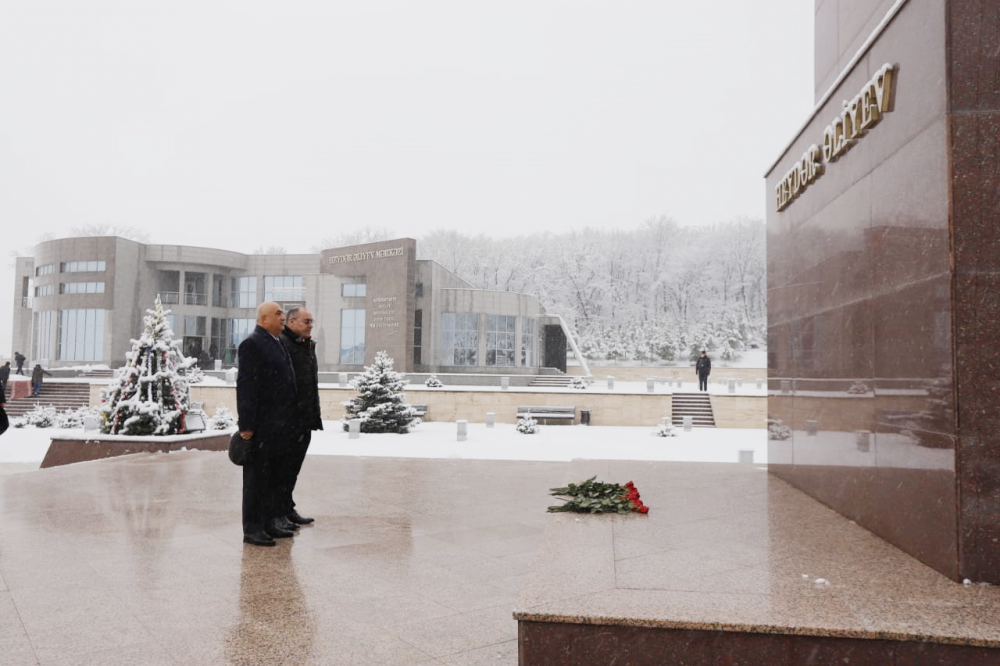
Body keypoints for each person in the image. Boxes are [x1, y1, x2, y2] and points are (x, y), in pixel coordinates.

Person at [236, 302, 299, 547]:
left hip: (279, 426)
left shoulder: (277, 341)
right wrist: (247, 425)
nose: (283, 317)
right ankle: (252, 528)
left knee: (272, 477)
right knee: (256, 480)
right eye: (278, 313)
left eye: (283, 313)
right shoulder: (252, 344)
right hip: (261, 427)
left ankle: (269, 522)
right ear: (263, 319)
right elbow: (246, 386)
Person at [279, 307, 323, 526]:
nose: (310, 325)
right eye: (307, 321)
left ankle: (287, 508)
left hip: (305, 419)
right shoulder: (283, 344)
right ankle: (278, 512)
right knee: (283, 469)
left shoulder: (305, 346)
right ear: (292, 322)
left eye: (311, 321)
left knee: (292, 469)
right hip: (289, 420)